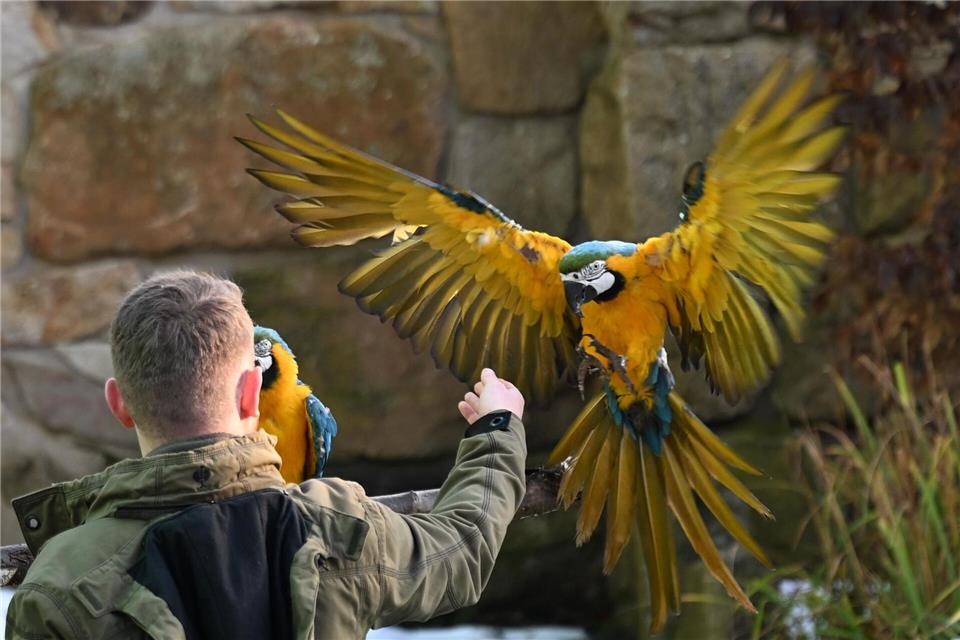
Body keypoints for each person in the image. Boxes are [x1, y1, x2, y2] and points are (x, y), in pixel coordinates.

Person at [5, 270, 527, 640]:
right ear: (251, 393)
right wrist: (496, 428)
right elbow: (462, 547)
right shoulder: (340, 525)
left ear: (118, 405)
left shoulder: (61, 583)